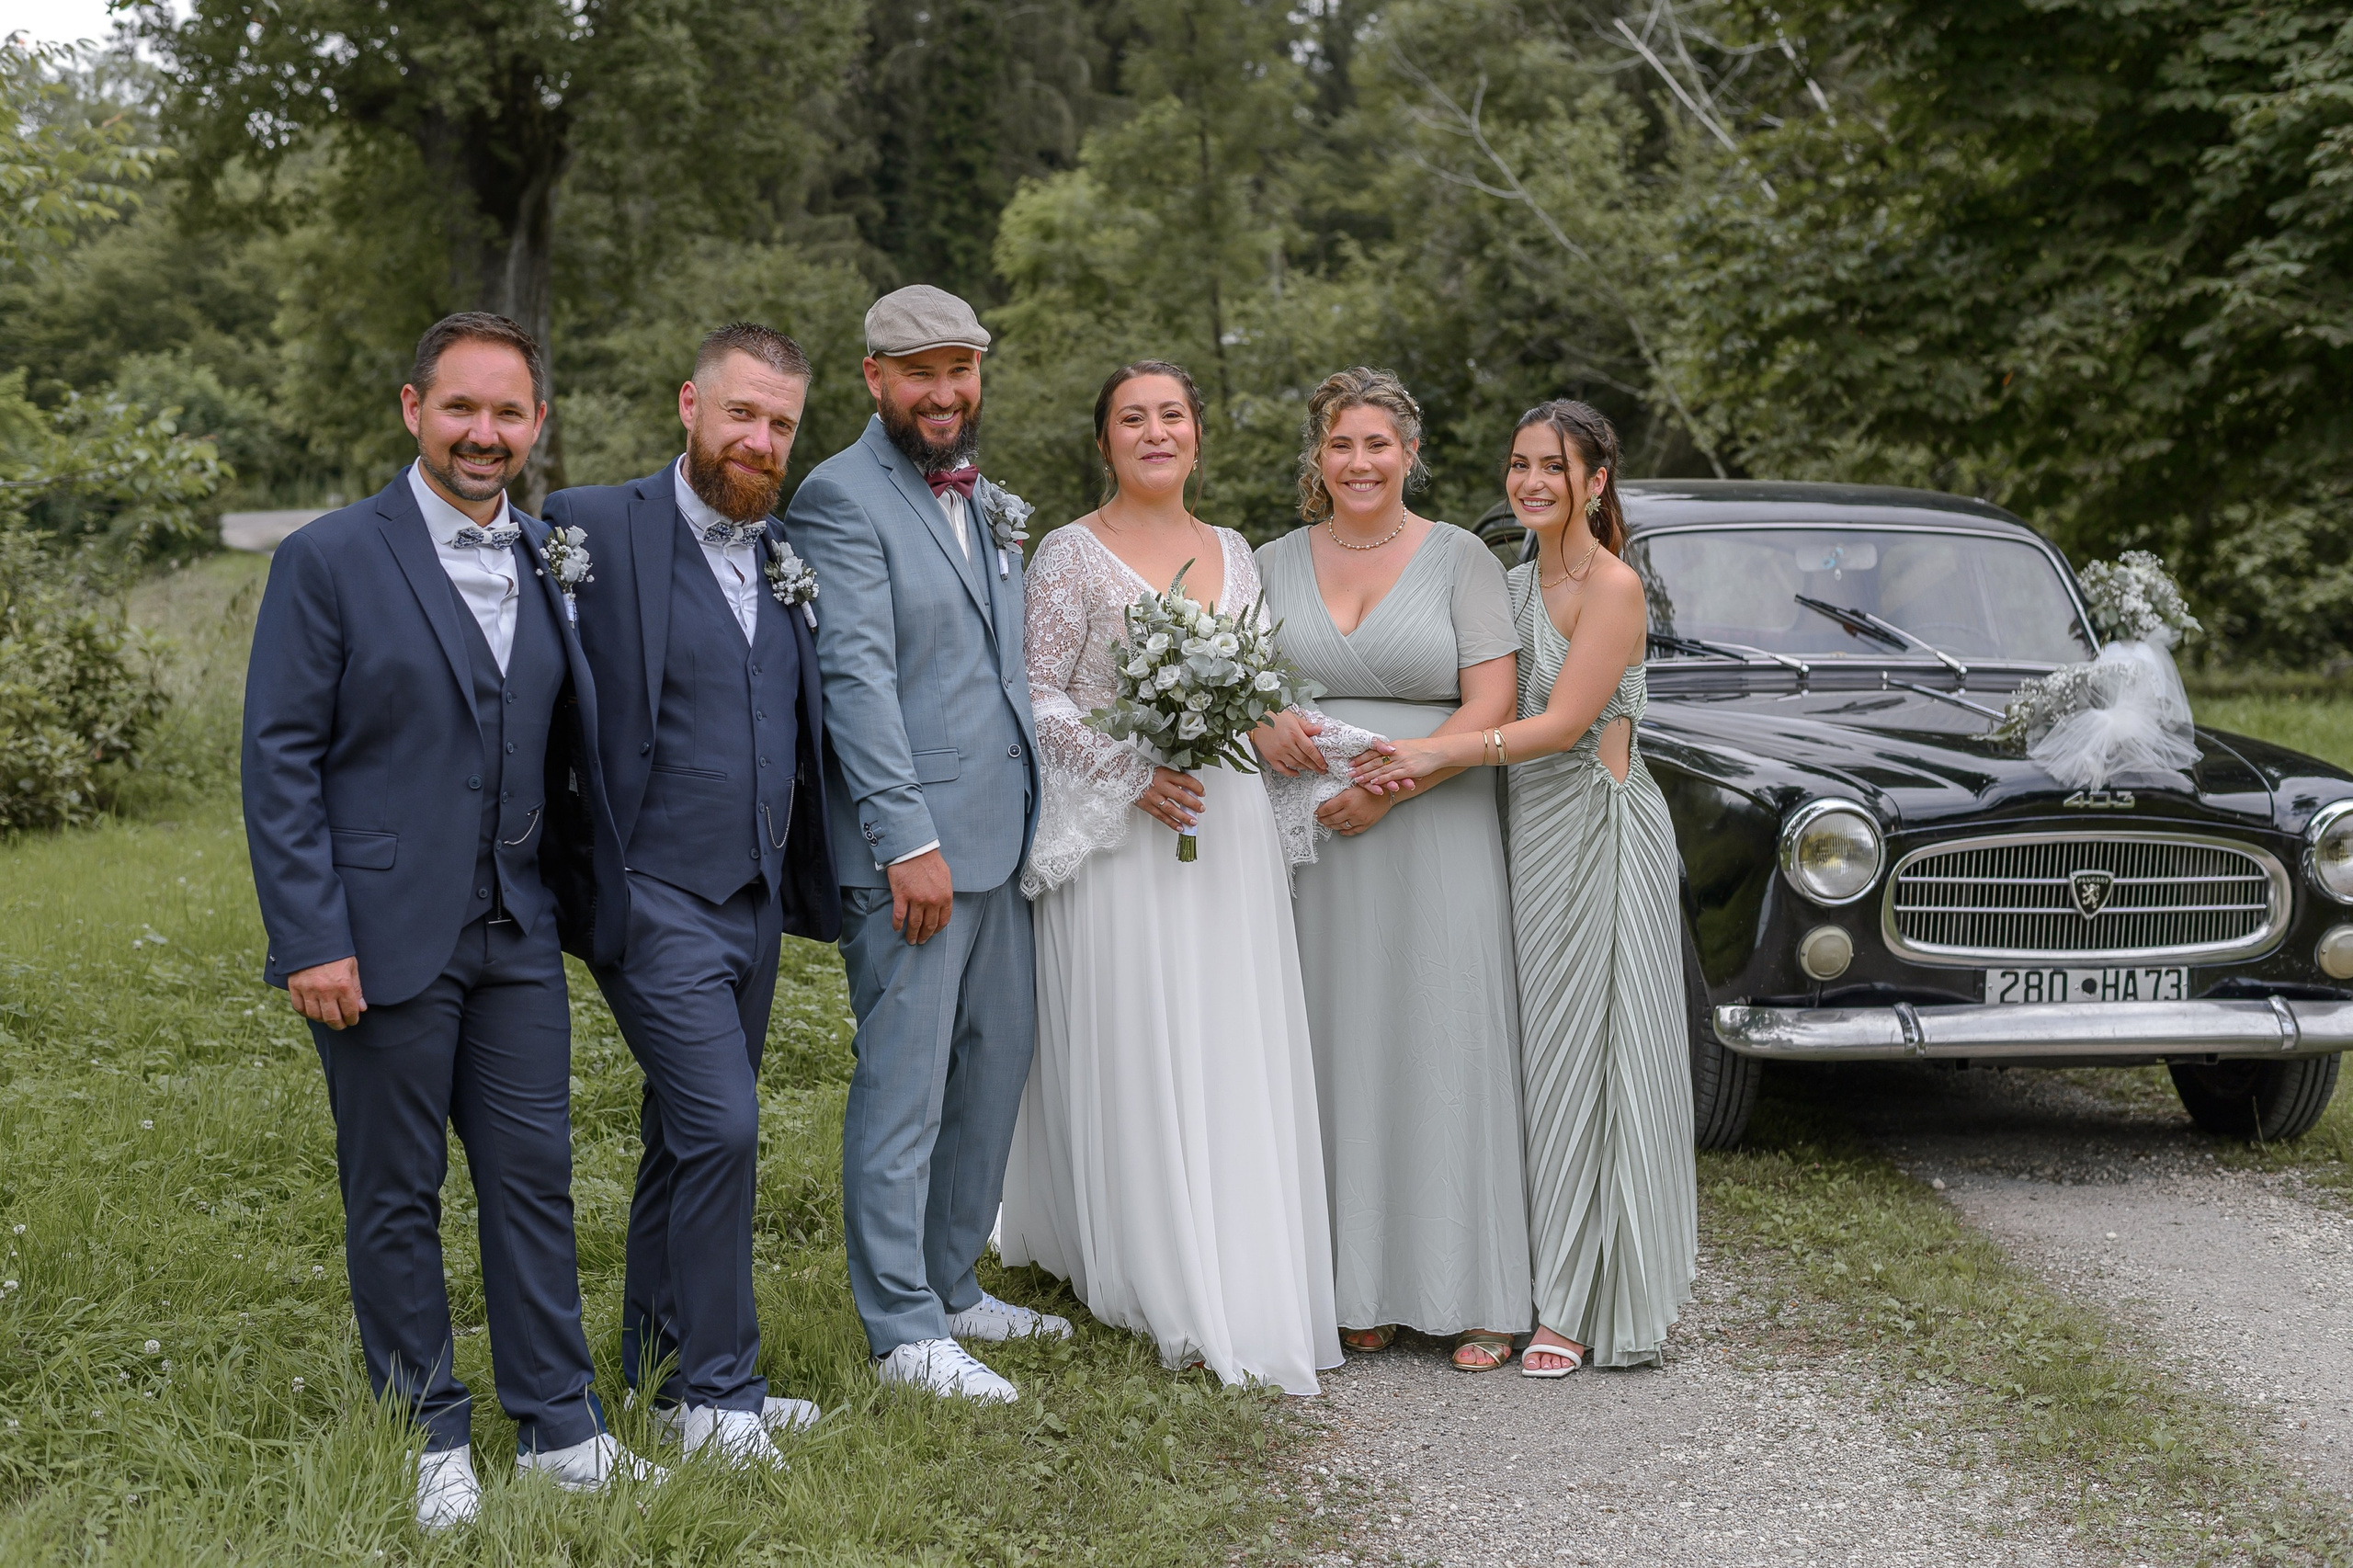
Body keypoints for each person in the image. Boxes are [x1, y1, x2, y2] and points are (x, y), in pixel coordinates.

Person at [242, 312, 660, 1529]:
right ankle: (426, 1432)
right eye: (462, 407)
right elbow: (280, 760)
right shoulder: (328, 558)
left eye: (509, 412)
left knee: (534, 1177)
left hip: (517, 928)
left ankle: (559, 1425)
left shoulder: (548, 554)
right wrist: (311, 934)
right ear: (412, 408)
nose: (486, 433)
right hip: (375, 933)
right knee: (395, 1185)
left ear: (538, 425)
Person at [999, 358, 1341, 1396]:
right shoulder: (1068, 553)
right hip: (1123, 833)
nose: (1155, 432)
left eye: (1171, 416)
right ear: (1102, 441)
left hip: (1223, 825)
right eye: (1131, 418)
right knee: (1138, 1034)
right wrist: (1130, 767)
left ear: (1198, 433)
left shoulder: (1234, 549)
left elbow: (1260, 681)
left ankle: (1236, 1238)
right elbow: (1034, 695)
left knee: (1226, 1028)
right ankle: (1151, 1262)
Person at [542, 323, 839, 1467]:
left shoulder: (782, 550)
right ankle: (722, 1396)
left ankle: (657, 1378)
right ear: (689, 404)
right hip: (650, 887)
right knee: (722, 1122)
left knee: (684, 1135)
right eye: (741, 415)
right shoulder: (591, 525)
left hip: (753, 891)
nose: (759, 440)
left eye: (779, 425)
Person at [1353, 399, 1696, 1375]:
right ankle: (1504, 1272)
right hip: (1512, 833)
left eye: (1554, 466)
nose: (1532, 482)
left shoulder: (1614, 586)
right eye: (1518, 465)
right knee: (1521, 1061)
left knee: (1588, 1058)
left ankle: (1578, 1299)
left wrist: (1427, 753)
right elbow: (1474, 689)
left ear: (1596, 481)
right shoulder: (1504, 583)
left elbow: (1555, 728)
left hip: (1595, 829)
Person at [786, 286, 1063, 1405]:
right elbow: (853, 678)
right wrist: (907, 839)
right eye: (919, 372)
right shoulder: (838, 497)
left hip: (1004, 838)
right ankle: (902, 1328)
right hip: (913, 854)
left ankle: (953, 1281)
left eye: (960, 369)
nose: (943, 392)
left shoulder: (987, 501)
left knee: (994, 1065)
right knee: (904, 1087)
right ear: (873, 379)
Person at [1255, 369, 1530, 1372]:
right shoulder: (1268, 559)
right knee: (1333, 1048)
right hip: (1310, 838)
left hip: (1435, 825)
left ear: (1411, 452)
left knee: (1445, 1041)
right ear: (1317, 458)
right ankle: (1351, 1290)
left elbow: (1489, 704)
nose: (1360, 462)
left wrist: (1392, 782)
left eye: (1379, 443)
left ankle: (1476, 1293)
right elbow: (1239, 684)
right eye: (1341, 444)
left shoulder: (1461, 558)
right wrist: (1260, 713)